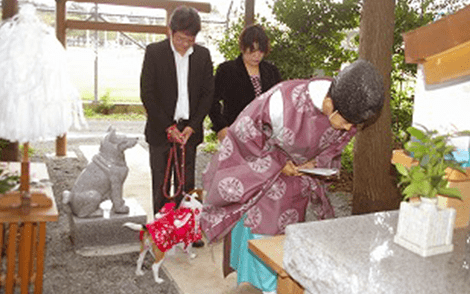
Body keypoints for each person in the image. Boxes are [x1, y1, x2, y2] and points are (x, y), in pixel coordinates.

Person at [200, 59, 385, 293]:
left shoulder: (347, 105)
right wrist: (278, 163)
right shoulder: (282, 101)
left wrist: (316, 163)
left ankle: (280, 285)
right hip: (264, 180)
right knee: (264, 233)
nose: (348, 128)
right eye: (346, 122)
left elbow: (336, 144)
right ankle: (268, 286)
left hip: (298, 180)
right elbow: (244, 136)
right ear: (330, 102)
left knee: (289, 236)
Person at [140, 6, 214, 247]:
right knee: (161, 183)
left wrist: (193, 125)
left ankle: (186, 232)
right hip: (162, 129)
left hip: (188, 130)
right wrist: (167, 127)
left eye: (190, 39)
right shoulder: (154, 52)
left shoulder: (202, 55)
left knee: (186, 184)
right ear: (170, 32)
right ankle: (162, 232)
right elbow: (147, 94)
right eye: (181, 38)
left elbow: (207, 95)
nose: (185, 44)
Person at [209, 24, 282, 142]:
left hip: (266, 135)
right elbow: (212, 100)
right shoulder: (227, 70)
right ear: (243, 47)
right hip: (235, 133)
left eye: (261, 51)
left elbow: (280, 101)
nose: (256, 55)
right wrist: (221, 127)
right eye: (252, 50)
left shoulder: (271, 71)